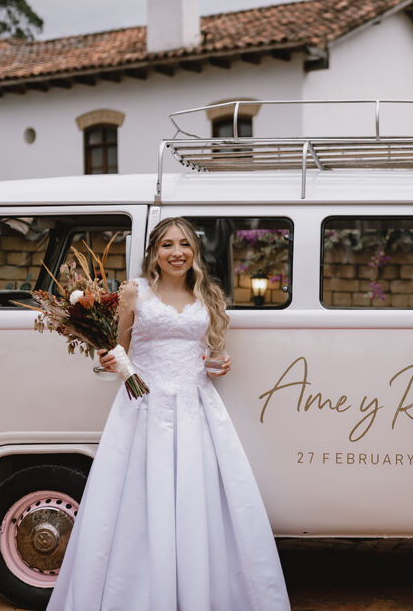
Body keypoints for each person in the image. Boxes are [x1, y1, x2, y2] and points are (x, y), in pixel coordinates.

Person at [48, 217, 290, 610]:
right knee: (136, 501)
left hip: (197, 409)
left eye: (184, 245)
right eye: (167, 245)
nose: (176, 253)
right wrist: (112, 359)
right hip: (142, 408)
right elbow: (116, 345)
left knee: (199, 499)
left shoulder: (208, 294)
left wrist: (217, 363)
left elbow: (209, 353)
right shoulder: (133, 292)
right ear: (154, 253)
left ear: (195, 252)